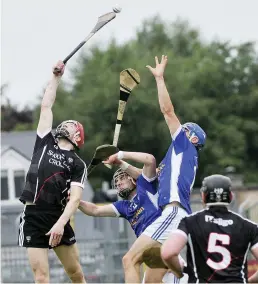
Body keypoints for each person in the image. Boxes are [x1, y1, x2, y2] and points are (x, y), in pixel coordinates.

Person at [109, 55, 206, 283]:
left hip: (173, 211)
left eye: (184, 129)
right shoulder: (176, 159)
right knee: (154, 273)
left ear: (190, 136)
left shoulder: (184, 146)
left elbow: (168, 111)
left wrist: (160, 79)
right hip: (173, 213)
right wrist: (120, 162)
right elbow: (145, 177)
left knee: (129, 259)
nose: (179, 129)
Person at [18, 61, 87, 283]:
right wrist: (56, 77)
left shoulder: (78, 164)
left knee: (75, 272)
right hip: (34, 215)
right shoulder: (45, 142)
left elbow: (75, 200)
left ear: (78, 138)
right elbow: (46, 106)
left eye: (72, 125)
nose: (66, 125)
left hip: (58, 217)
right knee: (41, 277)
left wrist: (60, 223)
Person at [79, 151, 180, 283]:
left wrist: (120, 160)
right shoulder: (124, 207)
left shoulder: (146, 186)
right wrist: (76, 201)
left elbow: (150, 159)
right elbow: (95, 210)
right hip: (152, 250)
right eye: (116, 181)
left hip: (163, 240)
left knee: (129, 260)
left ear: (132, 178)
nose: (118, 183)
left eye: (122, 178)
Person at [161, 174, 258, 283]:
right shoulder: (249, 226)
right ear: (230, 196)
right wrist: (249, 281)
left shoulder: (190, 221)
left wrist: (178, 272)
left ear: (203, 196)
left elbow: (168, 253)